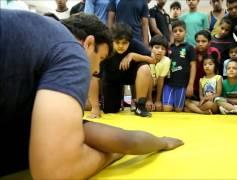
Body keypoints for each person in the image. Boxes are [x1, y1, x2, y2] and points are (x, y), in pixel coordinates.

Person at [0, 10, 183, 178]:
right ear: (88, 43)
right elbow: (54, 173)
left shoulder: (36, 36)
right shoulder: (70, 49)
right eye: (101, 59)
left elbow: (118, 138)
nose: (96, 69)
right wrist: (114, 153)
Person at [88, 23, 154, 118]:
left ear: (129, 41)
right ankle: (110, 102)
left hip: (131, 76)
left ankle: (140, 106)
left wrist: (133, 55)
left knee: (145, 68)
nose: (120, 46)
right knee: (110, 110)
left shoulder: (135, 44)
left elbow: (153, 60)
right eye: (117, 42)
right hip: (112, 79)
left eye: (124, 43)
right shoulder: (105, 48)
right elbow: (94, 77)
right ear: (111, 41)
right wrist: (94, 108)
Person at [163, 20, 196, 112]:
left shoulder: (189, 48)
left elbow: (193, 66)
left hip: (182, 85)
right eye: (175, 31)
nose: (178, 33)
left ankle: (189, 104)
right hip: (168, 83)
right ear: (172, 33)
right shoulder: (169, 48)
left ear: (185, 32)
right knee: (166, 109)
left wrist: (190, 84)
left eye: (180, 30)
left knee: (178, 110)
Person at [147, 35, 171, 112]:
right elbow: (148, 79)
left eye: (163, 49)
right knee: (148, 107)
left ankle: (155, 99)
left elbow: (161, 80)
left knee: (159, 108)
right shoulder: (146, 57)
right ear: (150, 48)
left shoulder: (166, 60)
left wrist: (158, 100)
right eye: (157, 47)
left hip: (156, 87)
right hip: (146, 87)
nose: (160, 50)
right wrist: (149, 100)